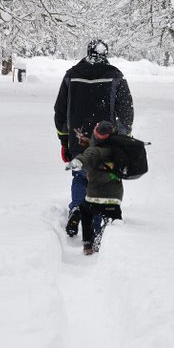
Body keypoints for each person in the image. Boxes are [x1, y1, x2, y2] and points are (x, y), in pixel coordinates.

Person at [53, 39, 133, 237]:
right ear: (104, 54)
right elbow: (125, 112)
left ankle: (78, 208)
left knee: (80, 176)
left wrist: (64, 140)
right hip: (105, 140)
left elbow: (60, 111)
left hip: (78, 139)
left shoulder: (71, 75)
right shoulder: (115, 76)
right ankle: (97, 229)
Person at [66, 121, 124, 255]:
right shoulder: (119, 150)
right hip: (115, 198)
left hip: (94, 198)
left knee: (85, 211)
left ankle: (88, 244)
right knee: (114, 218)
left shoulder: (93, 151)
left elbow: (86, 157)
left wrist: (76, 162)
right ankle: (107, 232)